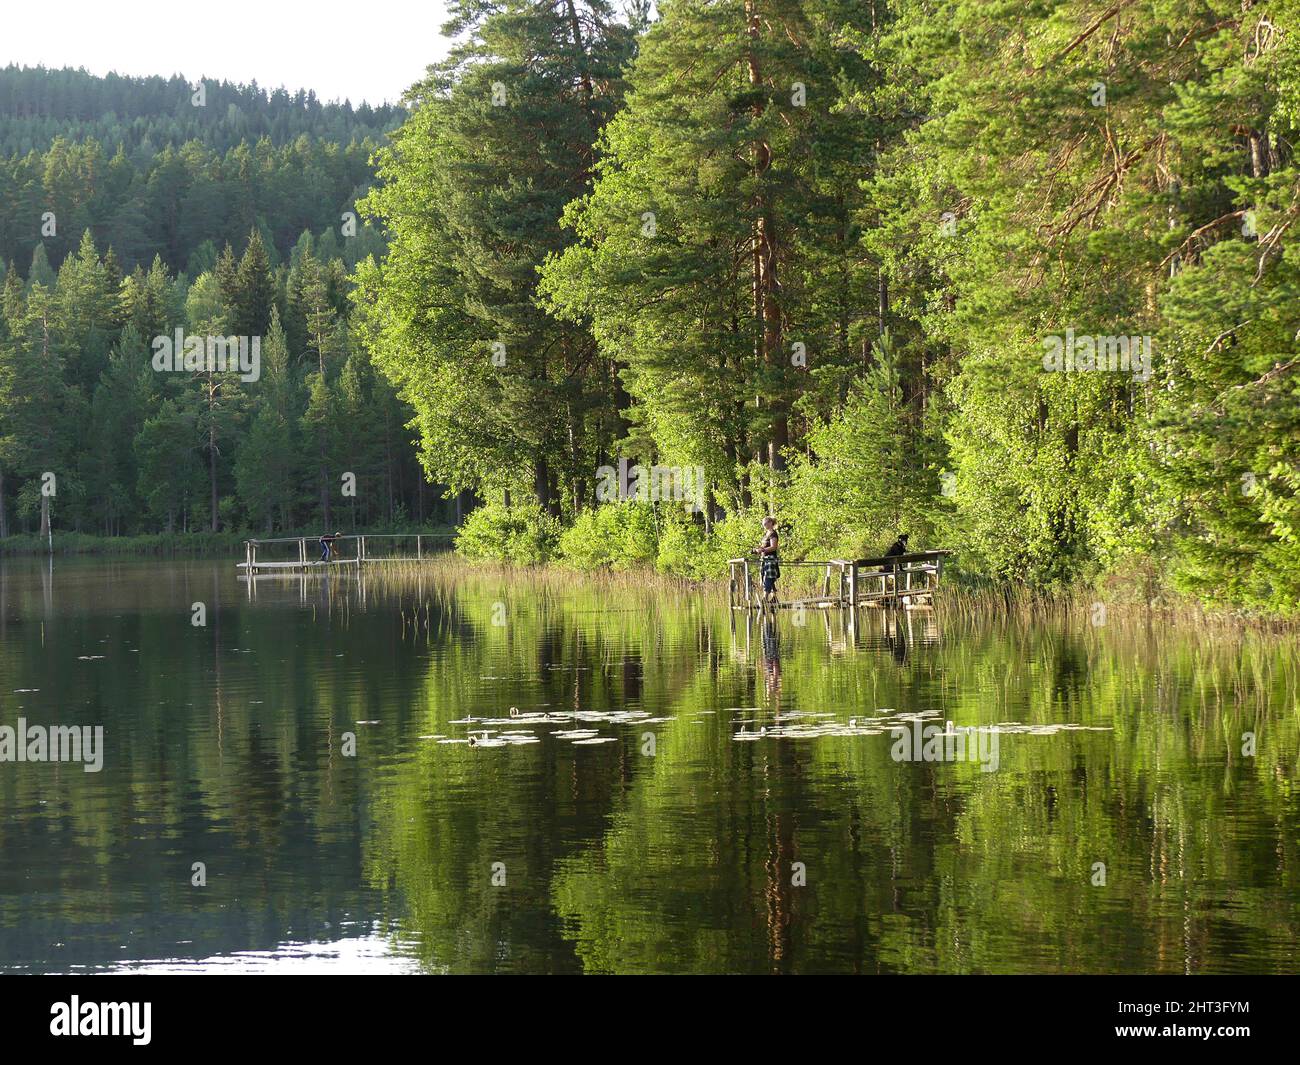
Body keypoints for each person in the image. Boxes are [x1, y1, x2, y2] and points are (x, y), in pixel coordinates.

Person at [752, 516, 780, 606]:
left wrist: (762, 550)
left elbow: (773, 547)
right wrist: (756, 551)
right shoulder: (766, 534)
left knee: (768, 578)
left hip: (770, 559)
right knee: (765, 577)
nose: (764, 525)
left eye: (765, 523)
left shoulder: (773, 534)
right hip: (764, 559)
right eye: (763, 524)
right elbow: (763, 547)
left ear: (770, 523)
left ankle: (765, 598)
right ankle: (774, 597)